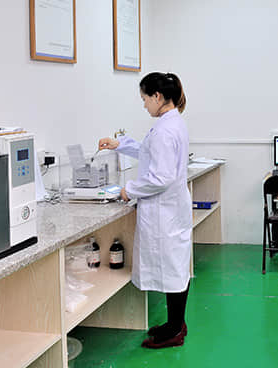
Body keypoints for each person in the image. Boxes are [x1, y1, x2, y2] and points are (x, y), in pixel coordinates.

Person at [97, 72, 191, 349]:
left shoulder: (164, 130)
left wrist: (130, 190)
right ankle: (176, 323)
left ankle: (175, 331)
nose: (144, 104)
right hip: (172, 208)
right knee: (176, 268)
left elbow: (160, 177)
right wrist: (120, 144)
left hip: (165, 211)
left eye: (145, 99)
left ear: (157, 96)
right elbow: (150, 154)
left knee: (173, 270)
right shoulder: (171, 122)